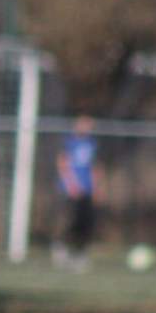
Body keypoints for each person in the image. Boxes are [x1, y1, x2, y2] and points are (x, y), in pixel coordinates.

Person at [53, 115, 102, 271]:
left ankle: (80, 255)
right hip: (71, 190)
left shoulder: (92, 144)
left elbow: (95, 167)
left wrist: (96, 188)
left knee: (85, 224)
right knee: (68, 221)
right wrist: (71, 184)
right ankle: (60, 250)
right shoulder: (69, 142)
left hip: (86, 190)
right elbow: (62, 163)